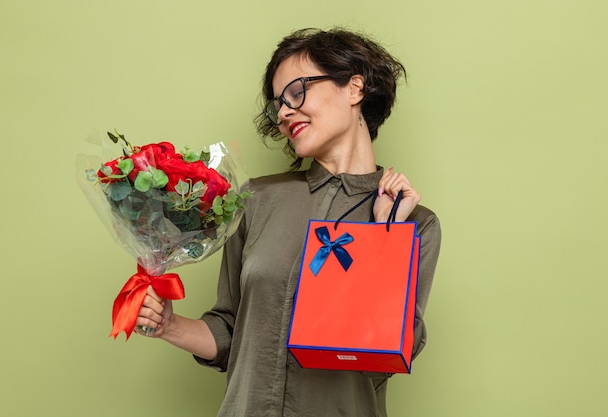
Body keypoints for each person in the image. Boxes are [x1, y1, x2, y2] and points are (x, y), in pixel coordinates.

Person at [136, 27, 441, 417]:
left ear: (354, 88)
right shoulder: (256, 200)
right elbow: (231, 333)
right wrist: (168, 325)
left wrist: (386, 235)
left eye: (297, 91)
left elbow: (381, 354)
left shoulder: (415, 225)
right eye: (277, 104)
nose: (282, 112)